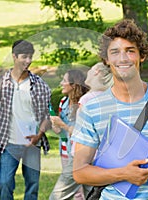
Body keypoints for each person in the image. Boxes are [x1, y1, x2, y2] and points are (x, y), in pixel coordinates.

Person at [71, 19, 148, 199]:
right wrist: (123, 174)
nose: (122, 58)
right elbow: (80, 172)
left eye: (130, 51)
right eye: (115, 52)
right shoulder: (92, 109)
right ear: (106, 59)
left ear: (141, 55)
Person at [0, 39, 51, 200]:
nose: (28, 61)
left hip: (32, 144)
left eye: (30, 57)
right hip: (9, 143)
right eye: (24, 57)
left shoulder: (39, 85)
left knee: (32, 186)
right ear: (14, 56)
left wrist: (39, 135)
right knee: (4, 183)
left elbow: (46, 116)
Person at [49, 69, 89, 200]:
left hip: (79, 152)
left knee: (84, 189)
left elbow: (80, 133)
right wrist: (55, 124)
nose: (61, 83)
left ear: (73, 85)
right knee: (76, 191)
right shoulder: (63, 102)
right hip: (65, 151)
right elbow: (60, 131)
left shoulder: (83, 104)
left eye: (64, 81)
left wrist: (62, 124)